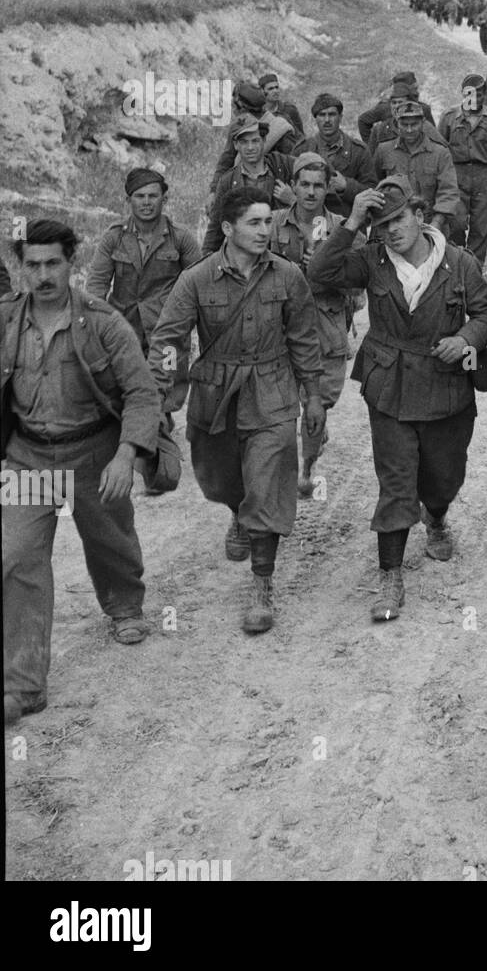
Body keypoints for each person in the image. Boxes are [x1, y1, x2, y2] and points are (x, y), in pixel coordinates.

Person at [2, 219, 162, 726]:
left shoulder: (103, 321)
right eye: (32, 264)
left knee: (109, 537)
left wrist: (126, 454)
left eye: (53, 263)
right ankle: (24, 684)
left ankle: (124, 605)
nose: (43, 274)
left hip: (93, 451)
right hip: (28, 456)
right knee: (18, 556)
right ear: (19, 267)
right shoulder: (6, 321)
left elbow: (141, 392)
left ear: (72, 262)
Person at [307, 180, 487, 601]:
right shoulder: (371, 260)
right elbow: (319, 273)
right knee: (395, 481)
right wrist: (352, 221)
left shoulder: (459, 262)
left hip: (447, 386)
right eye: (382, 223)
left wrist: (466, 340)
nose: (392, 230)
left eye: (399, 219)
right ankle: (390, 576)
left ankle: (437, 515)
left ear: (419, 216)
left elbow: (486, 313)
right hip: (390, 385)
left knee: (443, 477)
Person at [148, 188, 325, 634]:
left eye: (268, 222)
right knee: (220, 479)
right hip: (216, 395)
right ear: (228, 228)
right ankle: (238, 512)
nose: (265, 231)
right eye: (254, 222)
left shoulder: (287, 277)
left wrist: (314, 395)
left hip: (272, 391)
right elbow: (168, 341)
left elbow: (304, 339)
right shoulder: (197, 279)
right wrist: (157, 397)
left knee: (268, 484)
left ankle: (262, 586)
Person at [84, 166, 201, 446]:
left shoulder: (181, 238)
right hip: (125, 325)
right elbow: (97, 285)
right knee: (124, 381)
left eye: (153, 196)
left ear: (164, 200)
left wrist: (193, 324)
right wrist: (95, 325)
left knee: (166, 381)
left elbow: (199, 284)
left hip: (168, 327)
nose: (146, 203)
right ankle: (137, 426)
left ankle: (160, 425)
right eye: (139, 196)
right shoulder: (114, 237)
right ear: (128, 200)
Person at [268, 155, 355, 497]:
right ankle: (292, 465)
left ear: (327, 188)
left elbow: (358, 284)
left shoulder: (342, 228)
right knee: (282, 400)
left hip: (327, 325)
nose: (310, 192)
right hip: (283, 325)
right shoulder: (274, 224)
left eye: (319, 185)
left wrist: (327, 270)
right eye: (304, 184)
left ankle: (308, 466)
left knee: (321, 400)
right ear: (292, 186)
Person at [438, 73, 487, 264]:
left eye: (479, 94)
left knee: (482, 227)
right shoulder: (449, 117)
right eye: (470, 94)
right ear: (463, 94)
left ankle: (475, 269)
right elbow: (439, 150)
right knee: (456, 223)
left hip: (484, 176)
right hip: (456, 176)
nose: (475, 99)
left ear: (484, 94)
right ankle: (458, 263)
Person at [203, 114, 295, 254]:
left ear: (264, 140)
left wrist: (292, 200)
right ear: (236, 145)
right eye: (244, 142)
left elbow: (317, 174)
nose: (250, 147)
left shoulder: (282, 165)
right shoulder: (228, 181)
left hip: (280, 253)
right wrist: (206, 262)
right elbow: (215, 231)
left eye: (255, 141)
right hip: (245, 254)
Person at [373, 98, 460, 238]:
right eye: (404, 124)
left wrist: (436, 224)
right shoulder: (384, 151)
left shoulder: (440, 153)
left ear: (423, 123)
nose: (409, 130)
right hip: (395, 223)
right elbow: (375, 185)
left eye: (414, 124)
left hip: (431, 222)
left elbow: (449, 192)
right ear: (396, 124)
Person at [301, 92, 377, 218]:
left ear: (340, 117)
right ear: (315, 118)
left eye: (332, 114)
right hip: (313, 224)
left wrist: (346, 186)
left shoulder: (359, 151)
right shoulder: (303, 149)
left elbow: (372, 193)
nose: (327, 120)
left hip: (349, 223)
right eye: (321, 115)